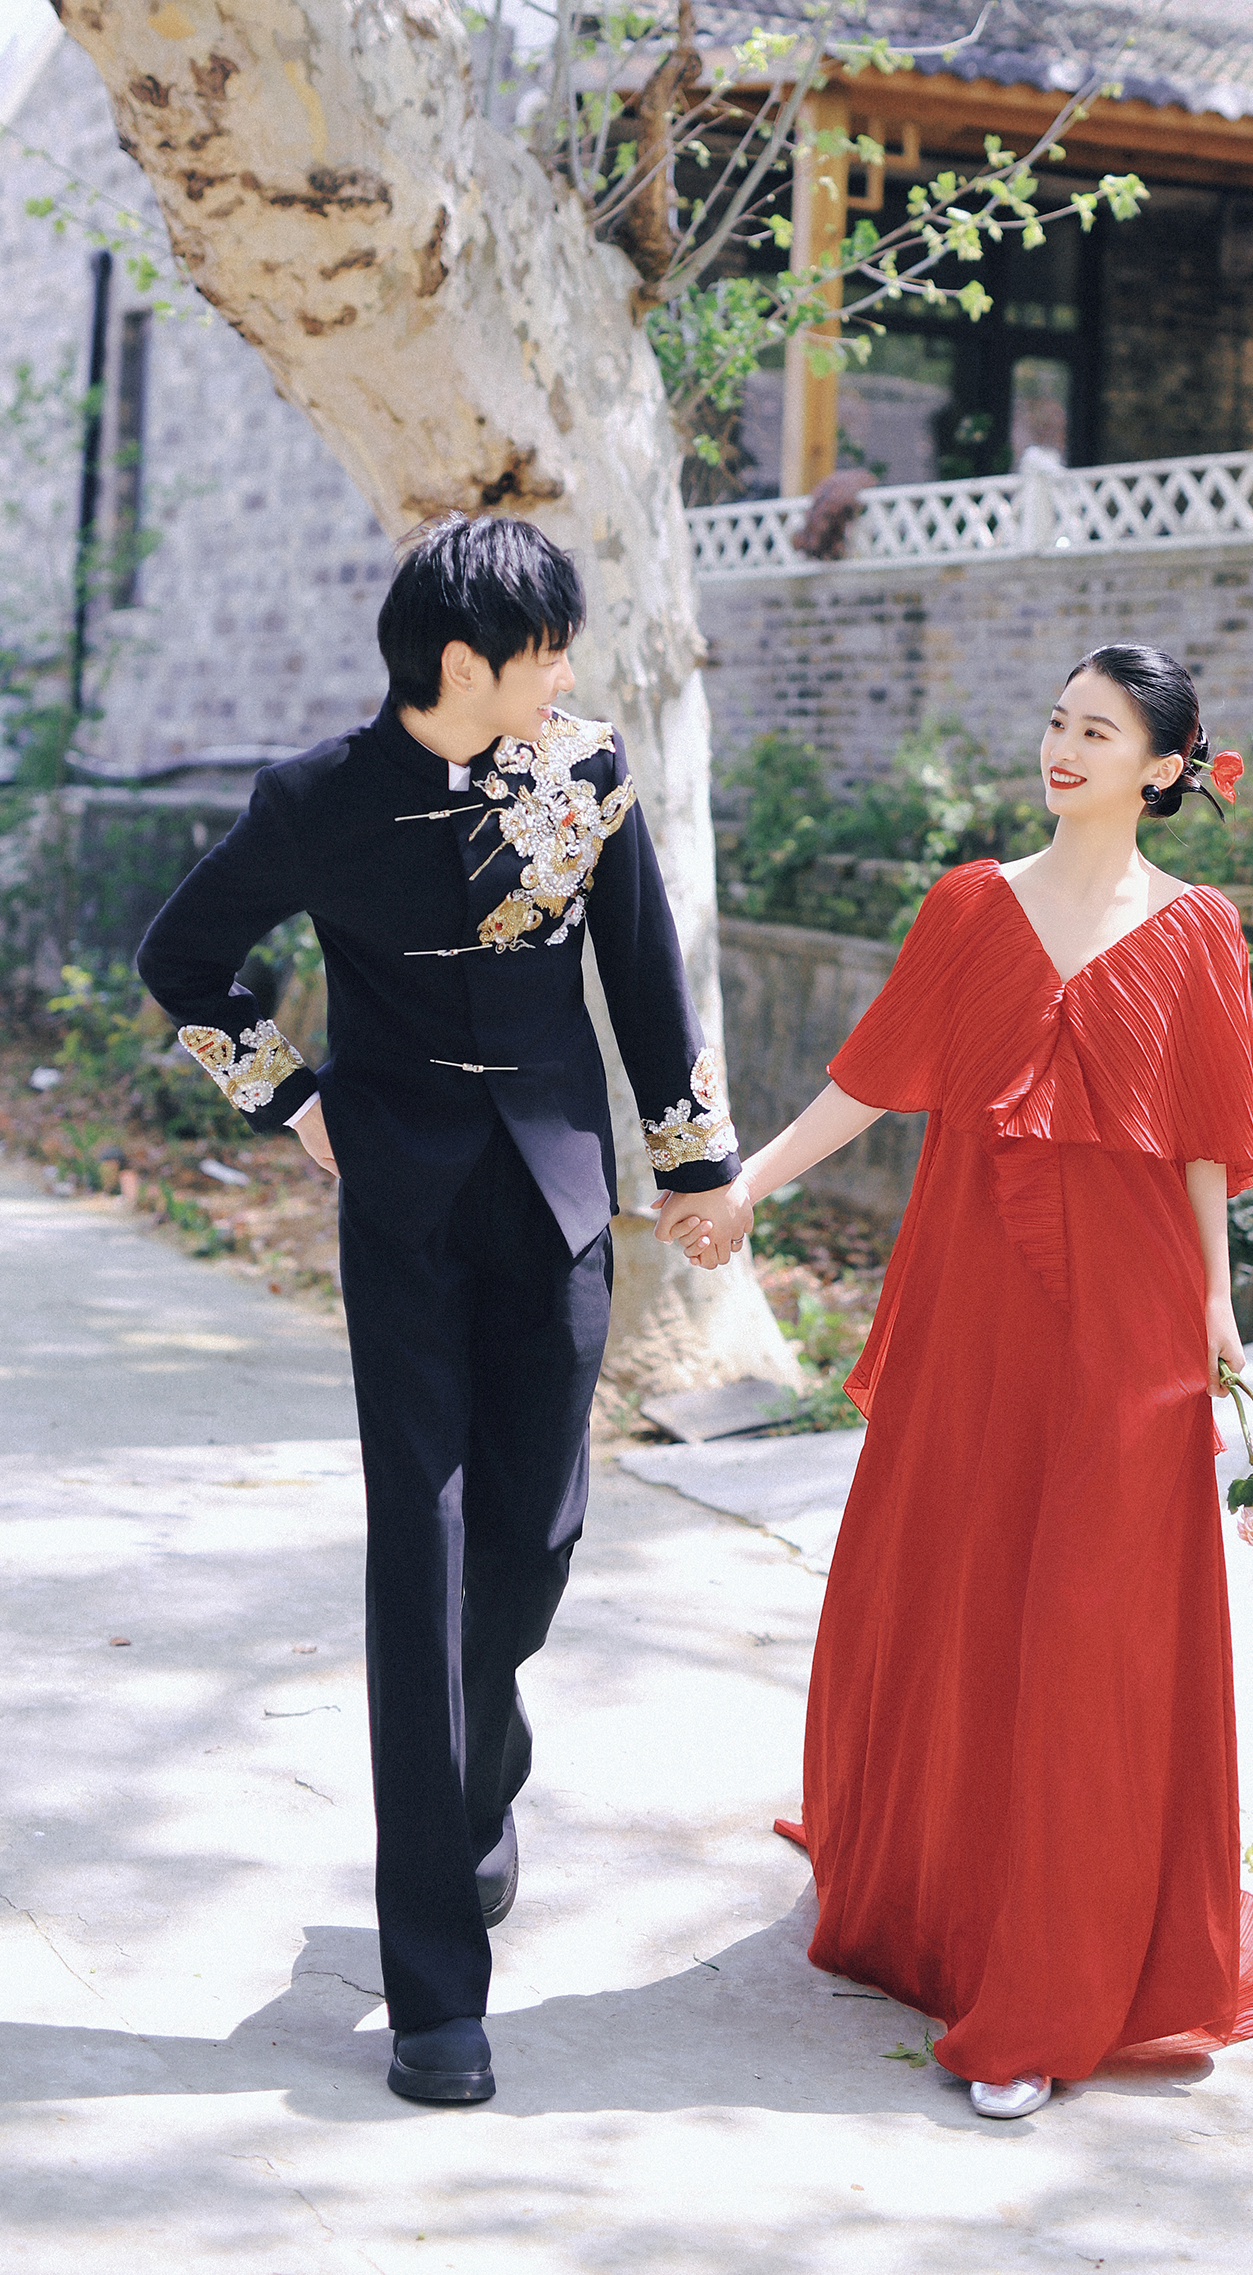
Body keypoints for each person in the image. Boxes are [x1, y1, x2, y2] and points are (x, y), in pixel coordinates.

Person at [655, 644, 1253, 2117]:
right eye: (1056, 722)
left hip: (1133, 1317)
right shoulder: (971, 905)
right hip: (974, 1304)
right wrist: (748, 1182)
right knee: (964, 1579)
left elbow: (1206, 1136)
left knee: (1097, 1621)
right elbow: (871, 1076)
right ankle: (949, 1909)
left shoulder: (1199, 931)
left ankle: (1051, 1990)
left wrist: (1216, 1305)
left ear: (1164, 767)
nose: (1063, 748)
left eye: (1100, 731)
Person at [137, 514, 743, 2107]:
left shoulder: (585, 773)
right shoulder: (315, 800)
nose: (567, 674)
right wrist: (293, 1104)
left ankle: (482, 1773)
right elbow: (183, 958)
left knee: (531, 1544)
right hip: (401, 1208)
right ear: (463, 663)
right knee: (423, 1556)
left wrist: (695, 1167)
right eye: (546, 651)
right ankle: (433, 1988)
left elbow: (646, 978)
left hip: (555, 1191)